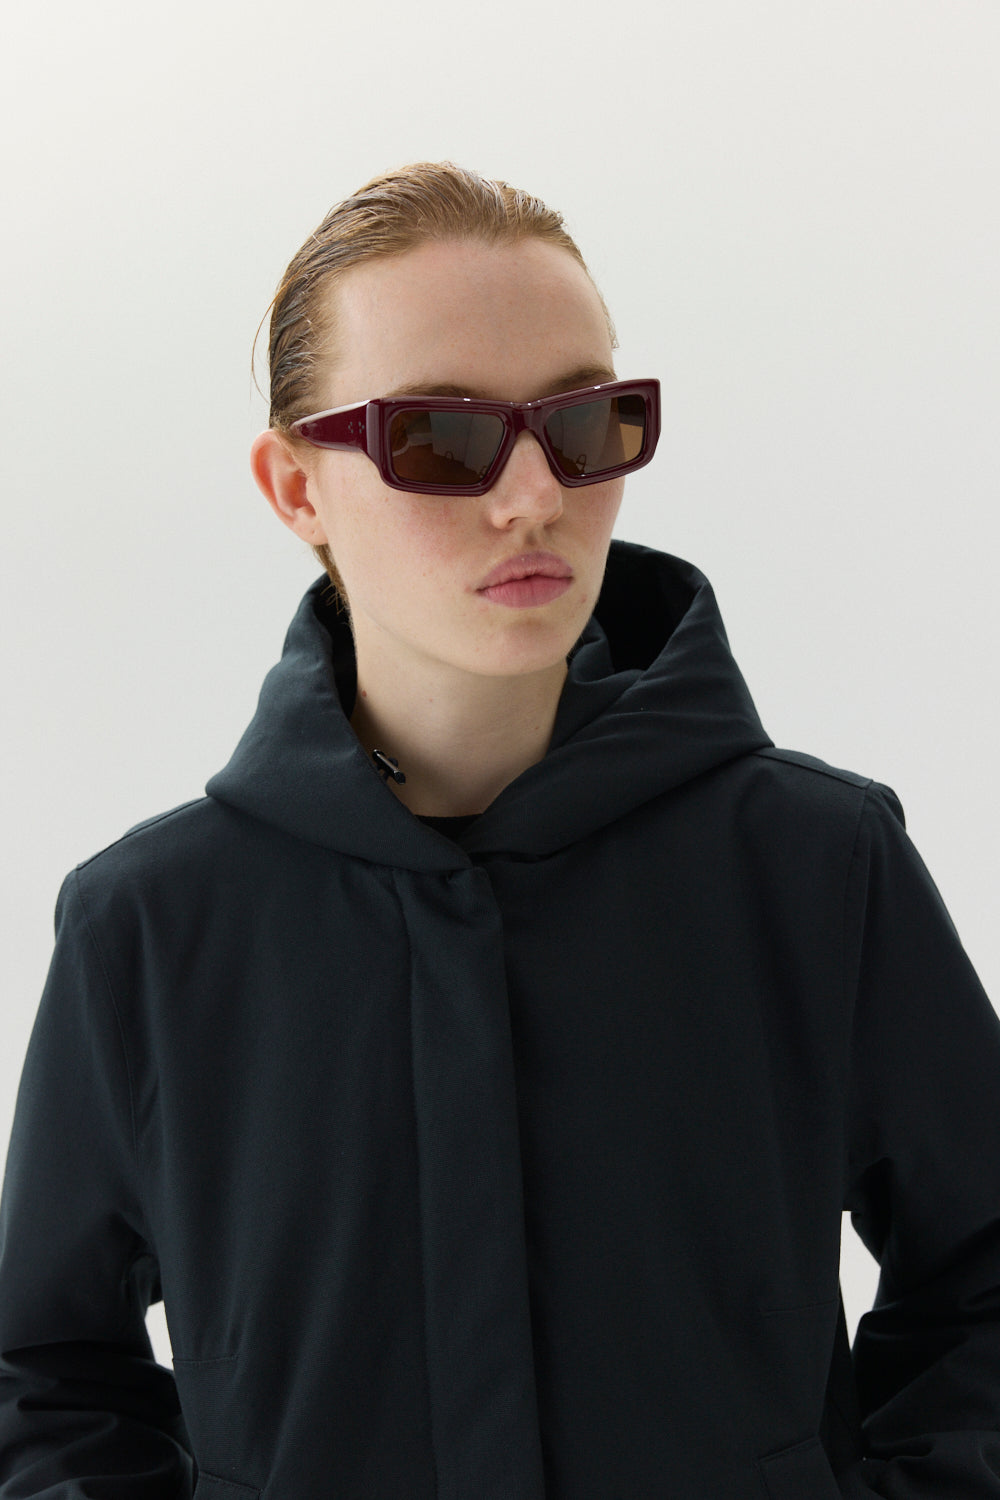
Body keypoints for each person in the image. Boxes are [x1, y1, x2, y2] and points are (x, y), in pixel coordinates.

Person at [0, 162, 998, 1500]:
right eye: (440, 437)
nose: (534, 497)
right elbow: (46, 1372)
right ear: (296, 489)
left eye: (584, 423)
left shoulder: (817, 867)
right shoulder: (150, 927)